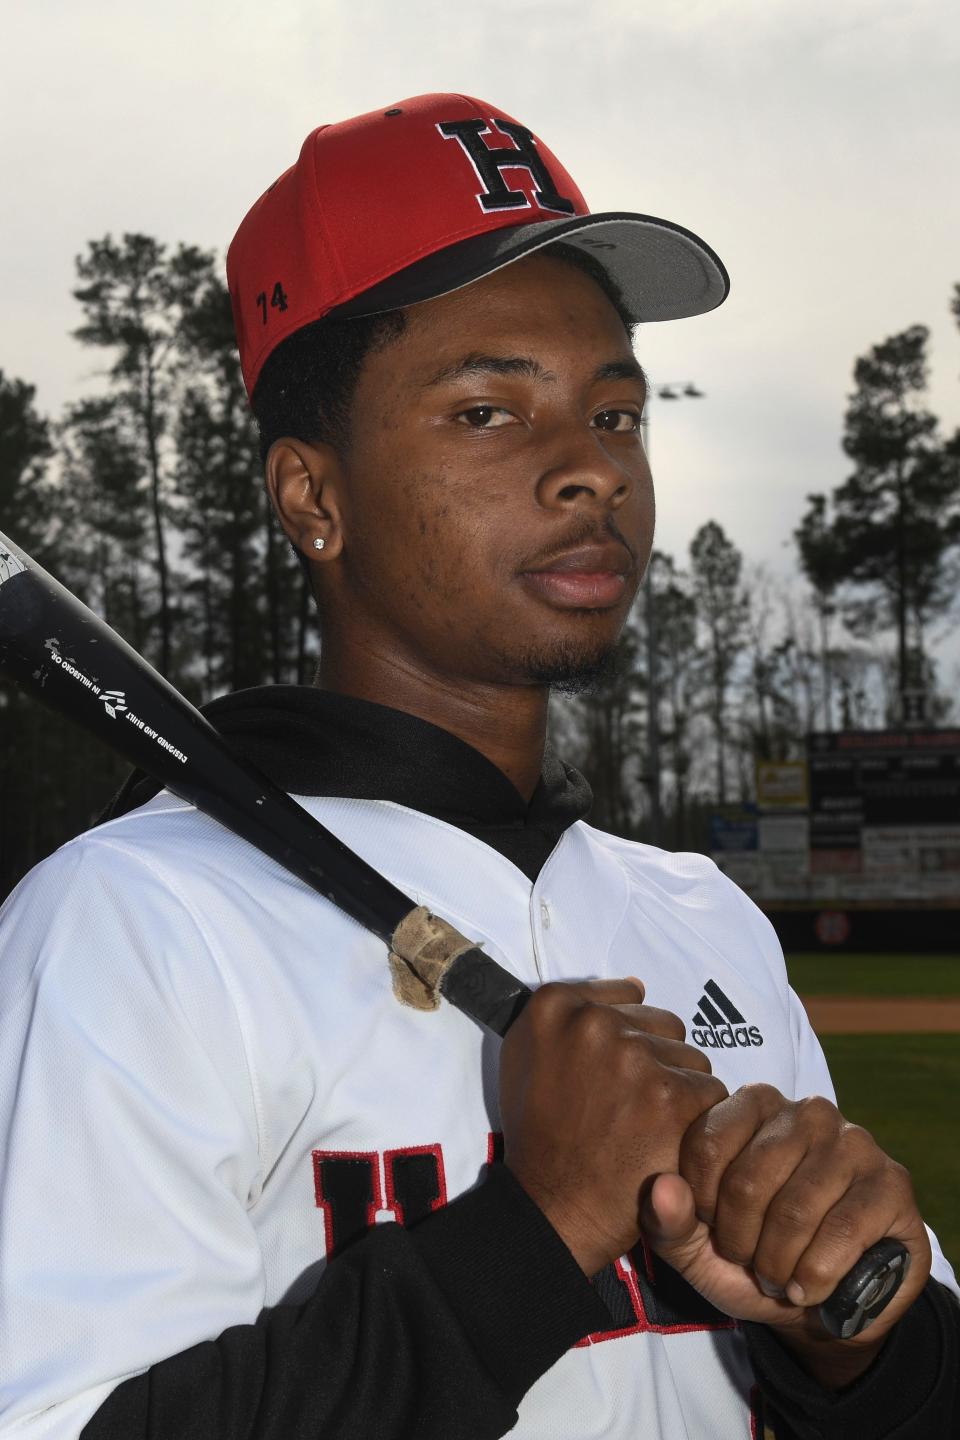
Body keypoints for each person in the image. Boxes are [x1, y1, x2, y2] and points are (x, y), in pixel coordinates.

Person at [0, 93, 957, 1440]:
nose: (590, 472)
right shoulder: (135, 927)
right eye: (487, 413)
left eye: (616, 415)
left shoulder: (698, 915)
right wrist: (539, 1231)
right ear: (310, 497)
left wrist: (849, 1348)